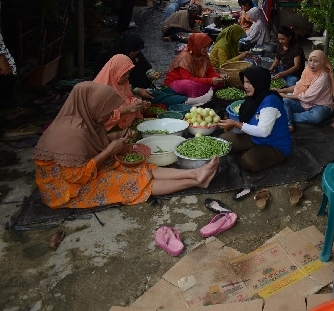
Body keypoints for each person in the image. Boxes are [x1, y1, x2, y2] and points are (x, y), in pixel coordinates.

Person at [33, 82, 219, 209]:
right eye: (107, 112)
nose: (110, 116)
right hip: (66, 189)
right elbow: (75, 177)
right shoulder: (71, 134)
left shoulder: (82, 119)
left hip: (85, 170)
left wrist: (116, 138)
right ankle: (196, 181)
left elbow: (92, 144)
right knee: (132, 183)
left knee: (140, 167)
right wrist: (109, 151)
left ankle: (195, 173)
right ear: (93, 107)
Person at [218, 66, 291, 172]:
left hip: (275, 145)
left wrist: (236, 124)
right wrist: (229, 125)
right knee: (223, 141)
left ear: (259, 82)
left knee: (248, 162)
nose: (245, 86)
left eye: (249, 82)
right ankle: (254, 149)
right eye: (244, 82)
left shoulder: (270, 102)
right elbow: (243, 125)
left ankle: (264, 153)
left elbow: (263, 132)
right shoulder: (253, 98)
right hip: (255, 138)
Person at [96, 34, 189, 107]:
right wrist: (136, 90)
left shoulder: (136, 55)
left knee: (168, 90)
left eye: (138, 51)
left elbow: (145, 66)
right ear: (128, 47)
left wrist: (151, 74)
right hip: (127, 94)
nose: (137, 53)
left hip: (142, 88)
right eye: (135, 51)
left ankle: (189, 96)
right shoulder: (114, 60)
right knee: (157, 95)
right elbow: (118, 85)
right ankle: (190, 101)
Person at [278, 49, 334, 132]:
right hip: (303, 102)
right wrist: (281, 91)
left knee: (316, 117)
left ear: (322, 62)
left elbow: (308, 96)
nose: (312, 64)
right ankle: (289, 124)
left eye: (316, 61)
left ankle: (288, 116)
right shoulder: (307, 70)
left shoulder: (323, 77)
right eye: (310, 60)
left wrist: (285, 95)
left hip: (320, 104)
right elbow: (298, 86)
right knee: (284, 101)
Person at [92, 54, 149, 131]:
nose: (128, 76)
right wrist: (126, 110)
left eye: (129, 73)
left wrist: (138, 104)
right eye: (125, 74)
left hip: (123, 126)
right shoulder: (101, 91)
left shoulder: (122, 84)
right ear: (115, 72)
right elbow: (99, 119)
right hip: (105, 132)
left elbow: (129, 98)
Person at [164, 33, 225, 100]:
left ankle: (205, 94)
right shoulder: (185, 57)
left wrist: (219, 76)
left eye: (208, 47)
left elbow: (210, 72)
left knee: (220, 82)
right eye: (204, 47)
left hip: (193, 79)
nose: (207, 49)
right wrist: (210, 81)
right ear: (197, 45)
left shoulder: (204, 55)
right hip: (176, 82)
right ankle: (194, 101)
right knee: (191, 85)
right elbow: (189, 79)